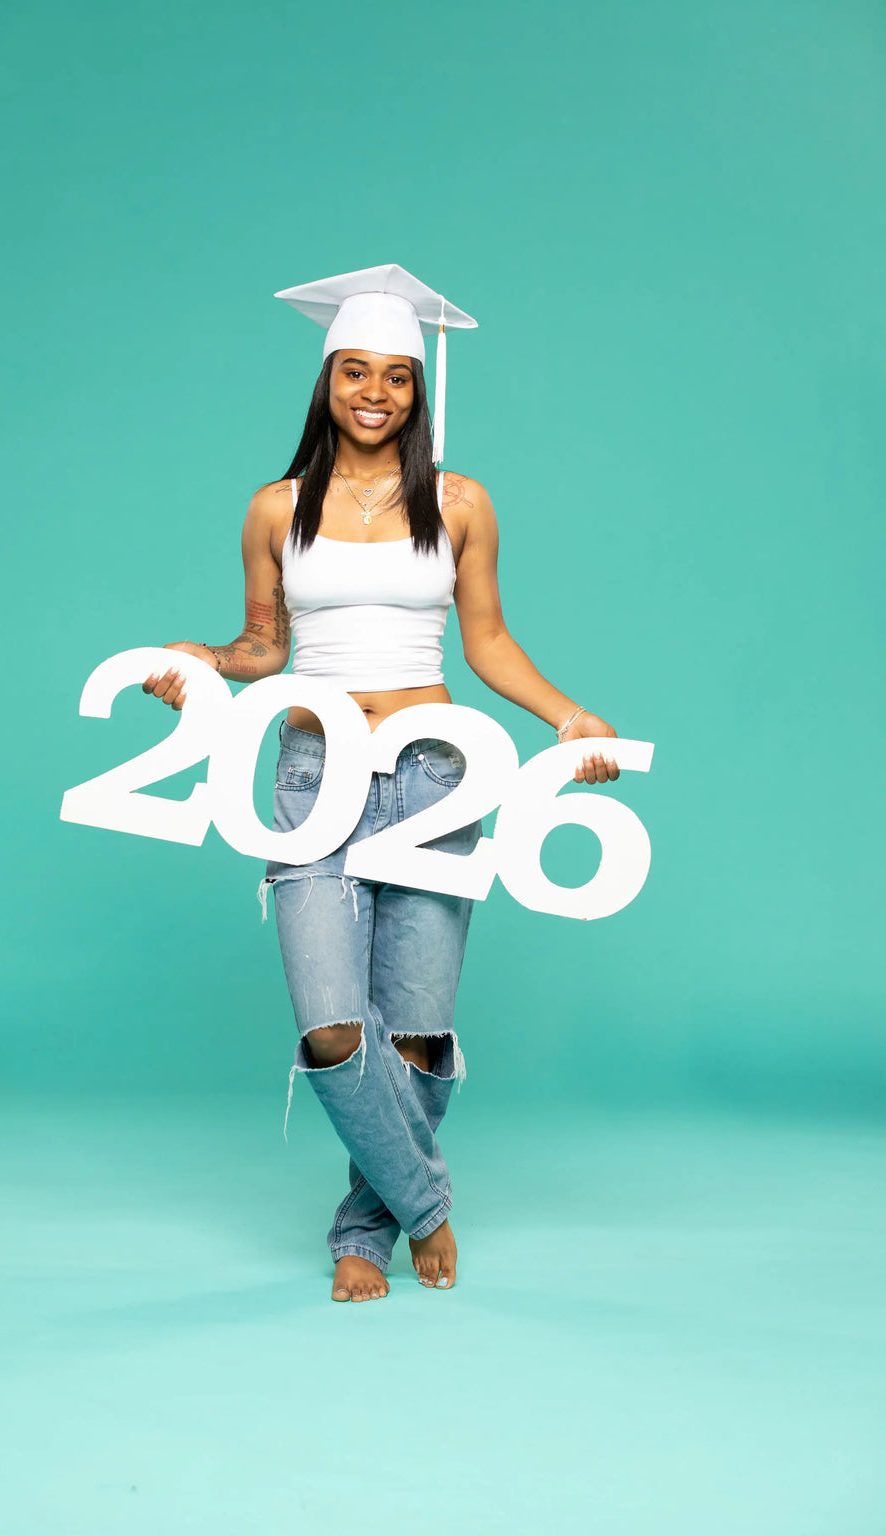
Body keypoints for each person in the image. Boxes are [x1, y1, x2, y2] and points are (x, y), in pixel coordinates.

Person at [143, 265, 619, 1303]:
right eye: (353, 371)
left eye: (395, 376)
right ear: (325, 384)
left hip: (434, 773)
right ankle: (427, 1205)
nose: (374, 392)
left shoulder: (459, 500)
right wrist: (203, 663)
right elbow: (265, 646)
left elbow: (486, 641)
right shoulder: (276, 507)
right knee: (329, 1023)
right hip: (313, 769)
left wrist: (566, 716)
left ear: (416, 389)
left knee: (411, 1029)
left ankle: (363, 1233)